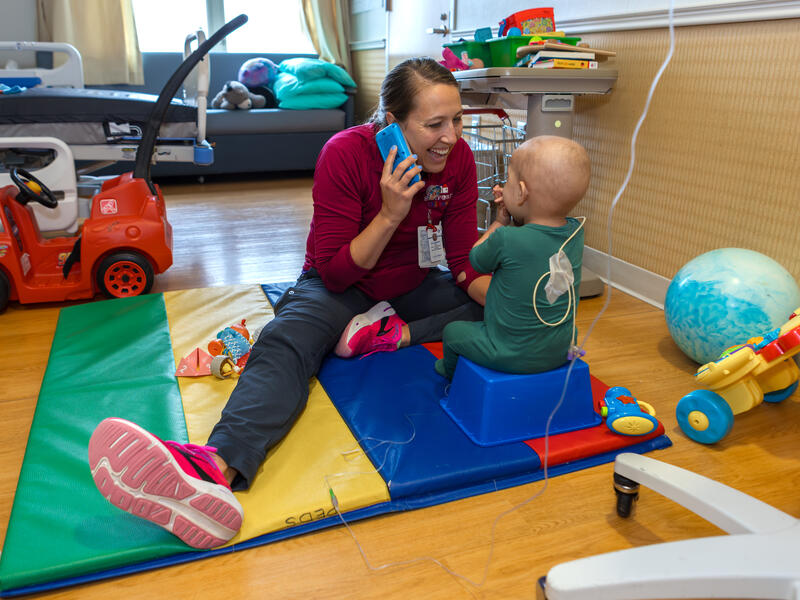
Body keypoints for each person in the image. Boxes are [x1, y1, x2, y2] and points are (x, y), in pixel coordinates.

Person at [87, 57, 491, 549]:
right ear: (392, 123)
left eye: (456, 121)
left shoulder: (459, 159)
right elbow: (338, 271)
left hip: (410, 290)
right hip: (343, 284)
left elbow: (460, 260)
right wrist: (390, 214)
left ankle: (389, 335)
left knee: (495, 308)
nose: (450, 136)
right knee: (286, 340)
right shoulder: (344, 154)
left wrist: (508, 298)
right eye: (434, 125)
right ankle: (211, 470)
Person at [434, 135, 590, 380]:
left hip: (505, 352)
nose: (503, 185)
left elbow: (475, 259)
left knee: (453, 332)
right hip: (559, 350)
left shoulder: (505, 238)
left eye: (507, 180)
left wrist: (499, 222)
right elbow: (535, 241)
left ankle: (450, 375)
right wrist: (518, 212)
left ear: (521, 192)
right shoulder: (576, 233)